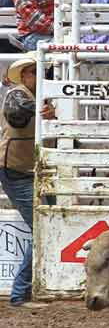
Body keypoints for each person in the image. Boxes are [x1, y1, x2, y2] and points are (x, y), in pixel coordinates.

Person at [1, 53, 55, 308]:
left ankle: (28, 290)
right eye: (35, 71)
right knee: (42, 227)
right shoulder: (18, 94)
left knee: (48, 224)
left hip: (30, 170)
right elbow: (17, 113)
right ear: (24, 75)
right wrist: (43, 111)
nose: (39, 76)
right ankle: (20, 294)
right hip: (17, 170)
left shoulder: (38, 97)